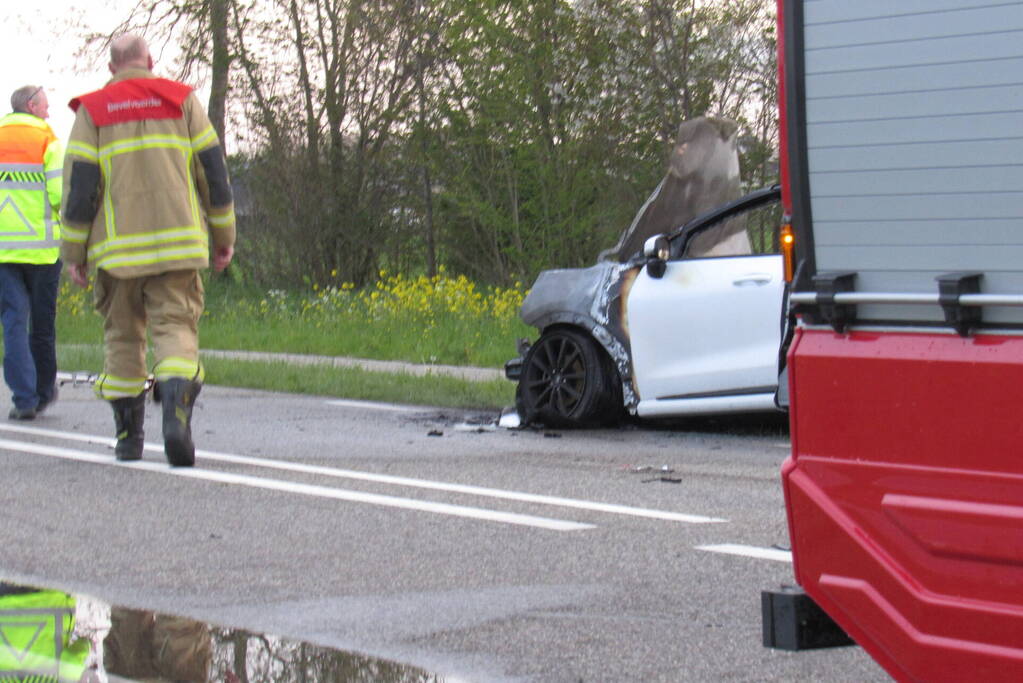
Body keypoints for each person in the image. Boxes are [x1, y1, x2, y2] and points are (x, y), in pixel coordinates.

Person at [61, 34, 236, 466]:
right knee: (176, 328)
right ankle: (176, 416)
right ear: (150, 61)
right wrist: (223, 235)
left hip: (117, 253)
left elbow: (81, 187)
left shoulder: (93, 111)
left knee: (122, 336)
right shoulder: (182, 101)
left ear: (112, 68)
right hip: (179, 244)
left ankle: (128, 437)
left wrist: (74, 252)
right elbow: (213, 173)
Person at [0, 86, 63, 420]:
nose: (48, 113)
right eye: (46, 106)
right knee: (41, 326)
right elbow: (58, 195)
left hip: (4, 251)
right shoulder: (47, 139)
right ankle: (42, 391)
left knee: (12, 323)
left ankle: (23, 399)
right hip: (41, 251)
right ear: (31, 105)